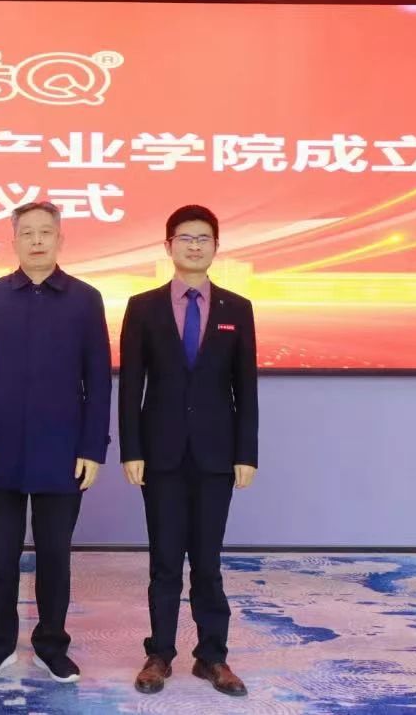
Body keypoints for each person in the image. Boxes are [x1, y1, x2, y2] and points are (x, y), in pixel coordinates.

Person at [0, 201, 111, 684]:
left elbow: (98, 381)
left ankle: (51, 645)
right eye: (27, 233)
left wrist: (92, 448)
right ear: (15, 241)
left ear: (60, 239)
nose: (37, 240)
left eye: (46, 232)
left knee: (55, 556)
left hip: (63, 451)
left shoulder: (85, 299)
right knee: (1, 556)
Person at [119, 204, 258, 698]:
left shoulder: (237, 308)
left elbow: (246, 388)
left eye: (203, 238)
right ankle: (159, 654)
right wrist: (131, 449)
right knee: (164, 561)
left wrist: (246, 453)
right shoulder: (143, 306)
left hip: (217, 456)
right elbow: (130, 385)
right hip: (161, 454)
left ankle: (212, 657)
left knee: (207, 561)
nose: (194, 246)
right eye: (185, 238)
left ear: (216, 247)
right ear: (168, 246)